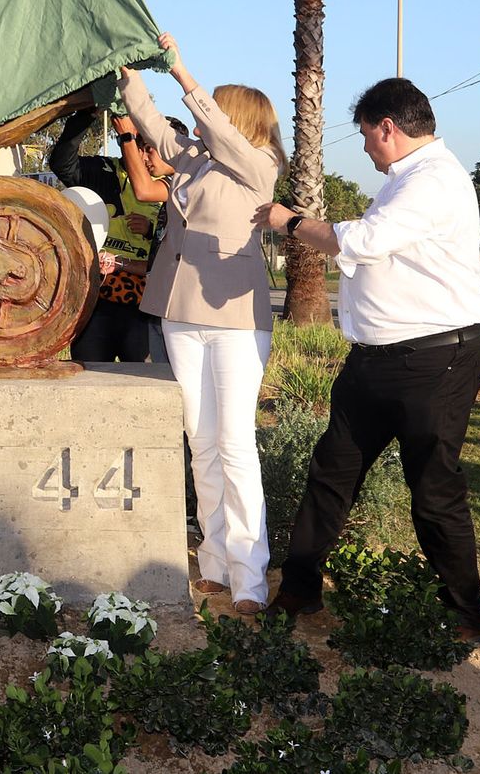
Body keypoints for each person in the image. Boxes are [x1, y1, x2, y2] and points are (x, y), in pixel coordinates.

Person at [254, 78, 480, 642]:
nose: (363, 147)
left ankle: (465, 615)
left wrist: (288, 221)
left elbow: (361, 243)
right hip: (375, 363)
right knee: (331, 473)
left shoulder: (433, 180)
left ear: (388, 126)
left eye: (366, 135)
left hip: (437, 361)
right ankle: (299, 589)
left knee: (434, 489)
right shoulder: (403, 179)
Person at [121, 32, 286, 614]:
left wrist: (184, 75)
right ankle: (214, 561)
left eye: (216, 106)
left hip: (237, 320)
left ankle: (250, 576)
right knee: (201, 439)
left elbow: (214, 130)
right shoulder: (193, 160)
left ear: (238, 118)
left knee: (236, 442)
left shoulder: (256, 165)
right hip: (179, 313)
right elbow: (149, 121)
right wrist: (127, 70)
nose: (201, 117)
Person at [49, 109, 175, 361]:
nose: (141, 153)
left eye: (148, 146)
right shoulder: (105, 169)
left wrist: (151, 231)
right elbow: (62, 163)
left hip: (144, 302)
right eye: (137, 144)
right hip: (99, 296)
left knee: (142, 383)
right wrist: (88, 115)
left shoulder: (175, 183)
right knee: (89, 375)